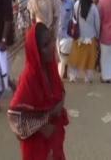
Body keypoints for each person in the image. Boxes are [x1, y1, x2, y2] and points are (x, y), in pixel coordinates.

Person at [9, 23, 68, 160]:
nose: (51, 47)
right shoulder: (29, 77)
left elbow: (60, 90)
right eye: (45, 45)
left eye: (51, 41)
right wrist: (42, 125)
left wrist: (60, 104)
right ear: (35, 49)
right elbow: (14, 115)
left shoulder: (50, 68)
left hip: (53, 139)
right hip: (37, 144)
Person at [68, 0, 100, 83]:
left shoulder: (77, 4)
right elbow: (97, 24)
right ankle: (88, 78)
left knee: (76, 57)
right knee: (90, 59)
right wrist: (97, 36)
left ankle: (73, 76)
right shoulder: (94, 8)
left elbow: (73, 18)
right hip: (90, 37)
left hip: (78, 37)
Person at [56, 0, 74, 78]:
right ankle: (62, 70)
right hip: (57, 33)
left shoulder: (70, 1)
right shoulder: (54, 2)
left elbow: (74, 16)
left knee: (66, 53)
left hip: (67, 33)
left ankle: (65, 71)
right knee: (59, 54)